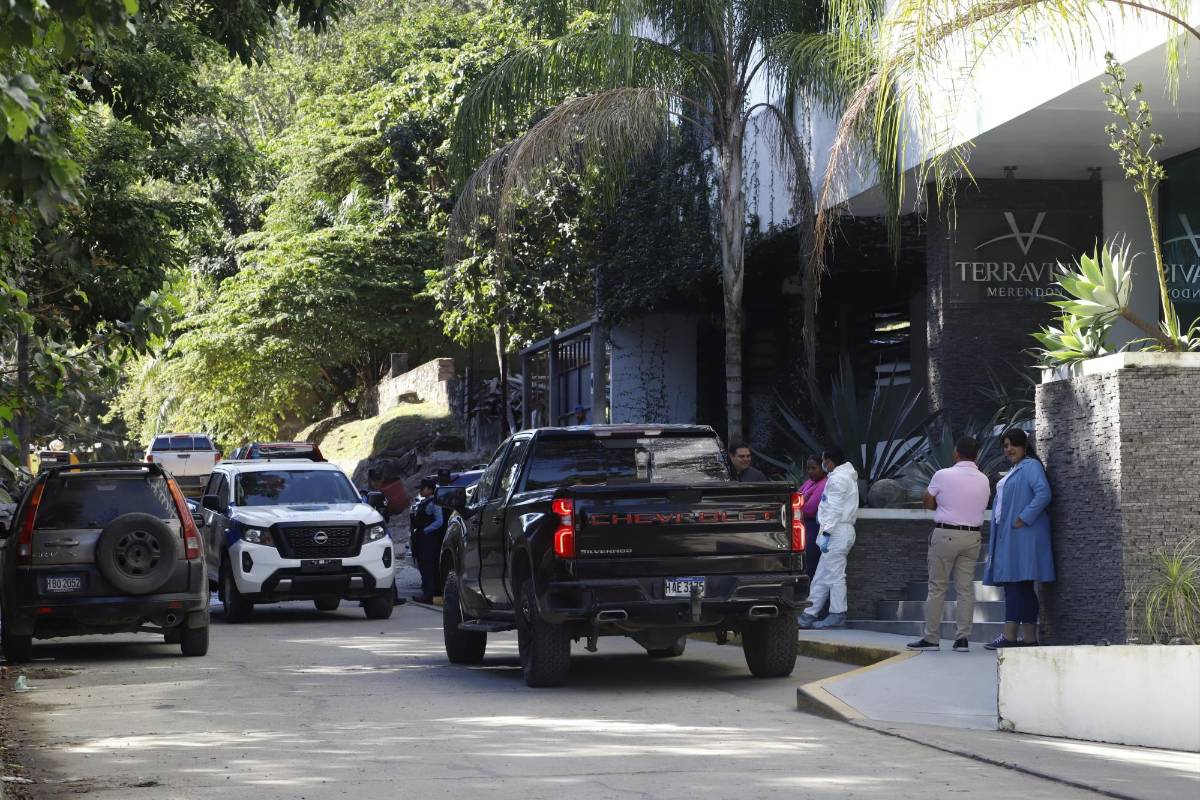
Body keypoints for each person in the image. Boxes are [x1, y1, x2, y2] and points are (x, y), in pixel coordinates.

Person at [907, 436, 991, 653]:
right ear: (976, 455)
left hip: (946, 534)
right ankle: (962, 639)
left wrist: (941, 507)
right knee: (965, 589)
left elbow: (927, 500)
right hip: (973, 537)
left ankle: (932, 638)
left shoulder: (942, 475)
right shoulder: (984, 479)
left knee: (937, 587)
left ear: (956, 454)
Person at [983, 428, 1054, 649]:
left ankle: (1010, 635)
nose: (1009, 449)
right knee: (1021, 585)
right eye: (1005, 445)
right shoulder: (1016, 469)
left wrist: (1023, 517)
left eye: (1013, 444)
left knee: (1015, 583)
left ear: (1024, 446)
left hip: (1023, 535)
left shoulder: (1030, 466)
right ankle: (1030, 637)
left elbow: (1044, 493)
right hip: (1012, 535)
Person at [798, 446, 859, 629]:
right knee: (822, 576)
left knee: (834, 575)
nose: (823, 464)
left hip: (835, 532)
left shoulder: (838, 479)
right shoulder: (843, 477)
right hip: (837, 531)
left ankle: (838, 613)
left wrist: (826, 533)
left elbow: (833, 509)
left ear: (829, 461)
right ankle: (809, 613)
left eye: (824, 461)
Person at [409, 478, 445, 603]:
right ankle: (429, 592)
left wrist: (425, 531)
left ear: (430, 490)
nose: (420, 491)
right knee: (424, 567)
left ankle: (429, 594)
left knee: (428, 567)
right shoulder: (424, 502)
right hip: (422, 540)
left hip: (429, 541)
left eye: (422, 488)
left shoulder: (433, 503)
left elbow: (439, 521)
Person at [799, 455, 827, 582]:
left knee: (811, 564)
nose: (810, 471)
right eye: (808, 468)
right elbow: (795, 498)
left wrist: (801, 503)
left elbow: (810, 509)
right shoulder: (810, 482)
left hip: (814, 528)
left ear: (823, 467)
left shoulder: (824, 484)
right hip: (803, 527)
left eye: (813, 468)